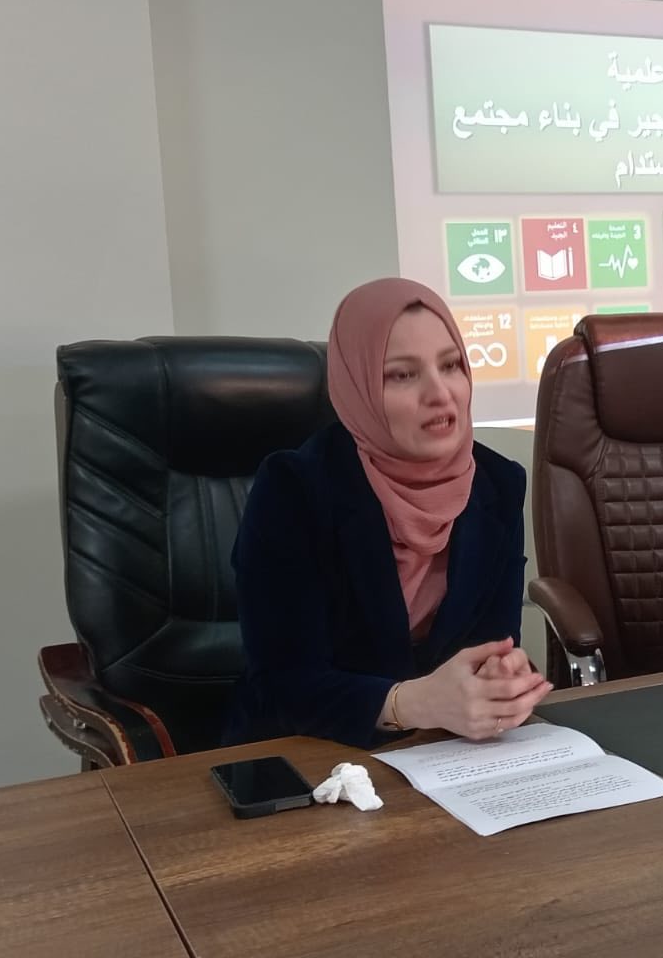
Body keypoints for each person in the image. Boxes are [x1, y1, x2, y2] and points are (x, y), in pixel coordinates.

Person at [224, 277, 549, 749]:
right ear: (357, 389)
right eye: (402, 375)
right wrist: (408, 703)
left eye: (451, 365)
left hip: (447, 752)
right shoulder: (294, 490)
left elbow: (491, 646)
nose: (440, 393)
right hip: (308, 754)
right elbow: (280, 686)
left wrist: (500, 678)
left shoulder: (498, 484)